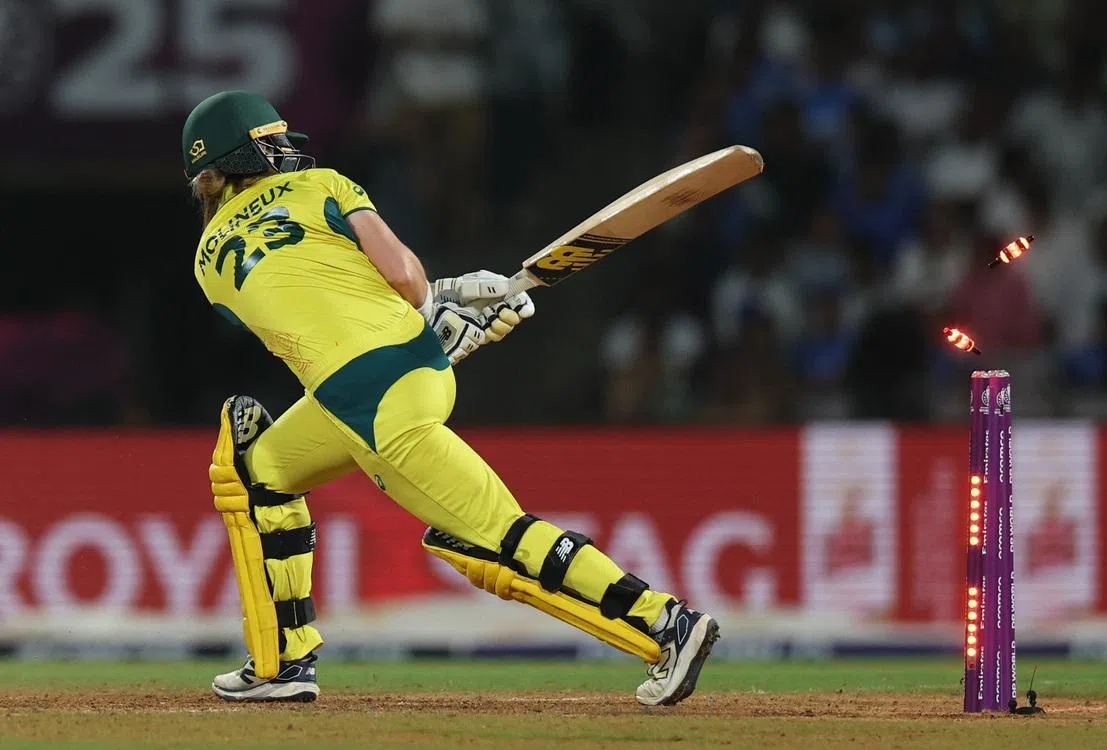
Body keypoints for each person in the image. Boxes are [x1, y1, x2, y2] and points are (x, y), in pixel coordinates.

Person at [182, 91, 718, 706]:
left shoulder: (207, 266)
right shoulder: (323, 184)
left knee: (495, 537)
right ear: (253, 149)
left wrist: (445, 317)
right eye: (272, 141)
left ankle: (665, 623)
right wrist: (446, 309)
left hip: (368, 396)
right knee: (261, 471)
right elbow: (405, 281)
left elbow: (315, 318)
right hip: (385, 386)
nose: (283, 150)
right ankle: (283, 663)